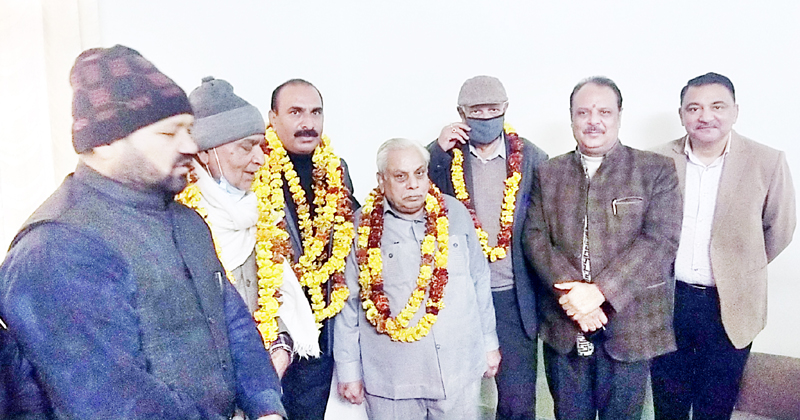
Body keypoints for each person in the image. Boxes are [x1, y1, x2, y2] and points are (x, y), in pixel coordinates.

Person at [0, 45, 285, 419]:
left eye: (188, 129)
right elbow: (112, 401)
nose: (190, 145)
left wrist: (266, 408)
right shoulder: (57, 246)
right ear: (103, 143)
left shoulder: (186, 222)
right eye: (169, 134)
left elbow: (233, 326)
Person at [522, 76, 682, 420]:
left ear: (619, 116)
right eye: (584, 112)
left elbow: (660, 240)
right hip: (564, 324)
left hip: (630, 327)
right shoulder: (548, 173)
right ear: (572, 118)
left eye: (604, 111)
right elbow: (535, 237)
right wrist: (576, 296)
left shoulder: (654, 170)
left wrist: (600, 293)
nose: (594, 120)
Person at [650, 72, 796, 420]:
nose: (705, 116)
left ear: (735, 111)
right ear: (682, 114)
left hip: (731, 304)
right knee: (668, 400)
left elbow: (781, 227)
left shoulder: (767, 161)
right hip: (669, 300)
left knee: (715, 404)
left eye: (717, 106)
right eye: (694, 108)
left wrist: (740, 268)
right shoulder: (654, 160)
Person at [335, 138, 501, 419]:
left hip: (458, 370)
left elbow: (479, 281)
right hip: (395, 381)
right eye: (401, 176)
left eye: (419, 173)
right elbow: (347, 304)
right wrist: (349, 370)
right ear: (381, 180)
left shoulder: (455, 213)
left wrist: (489, 344)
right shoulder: (359, 228)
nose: (413, 184)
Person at [427, 75, 547, 420]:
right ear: (461, 113)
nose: (485, 116)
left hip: (513, 295)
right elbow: (416, 195)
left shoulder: (531, 158)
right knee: (453, 397)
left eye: (493, 109)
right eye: (476, 110)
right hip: (458, 296)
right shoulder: (443, 157)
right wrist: (436, 150)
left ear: (506, 109)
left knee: (517, 402)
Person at [258, 79, 359, 419]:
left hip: (321, 322)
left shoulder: (336, 169)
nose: (308, 123)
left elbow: (353, 227)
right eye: (296, 112)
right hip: (273, 326)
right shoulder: (255, 167)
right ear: (272, 118)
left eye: (316, 112)